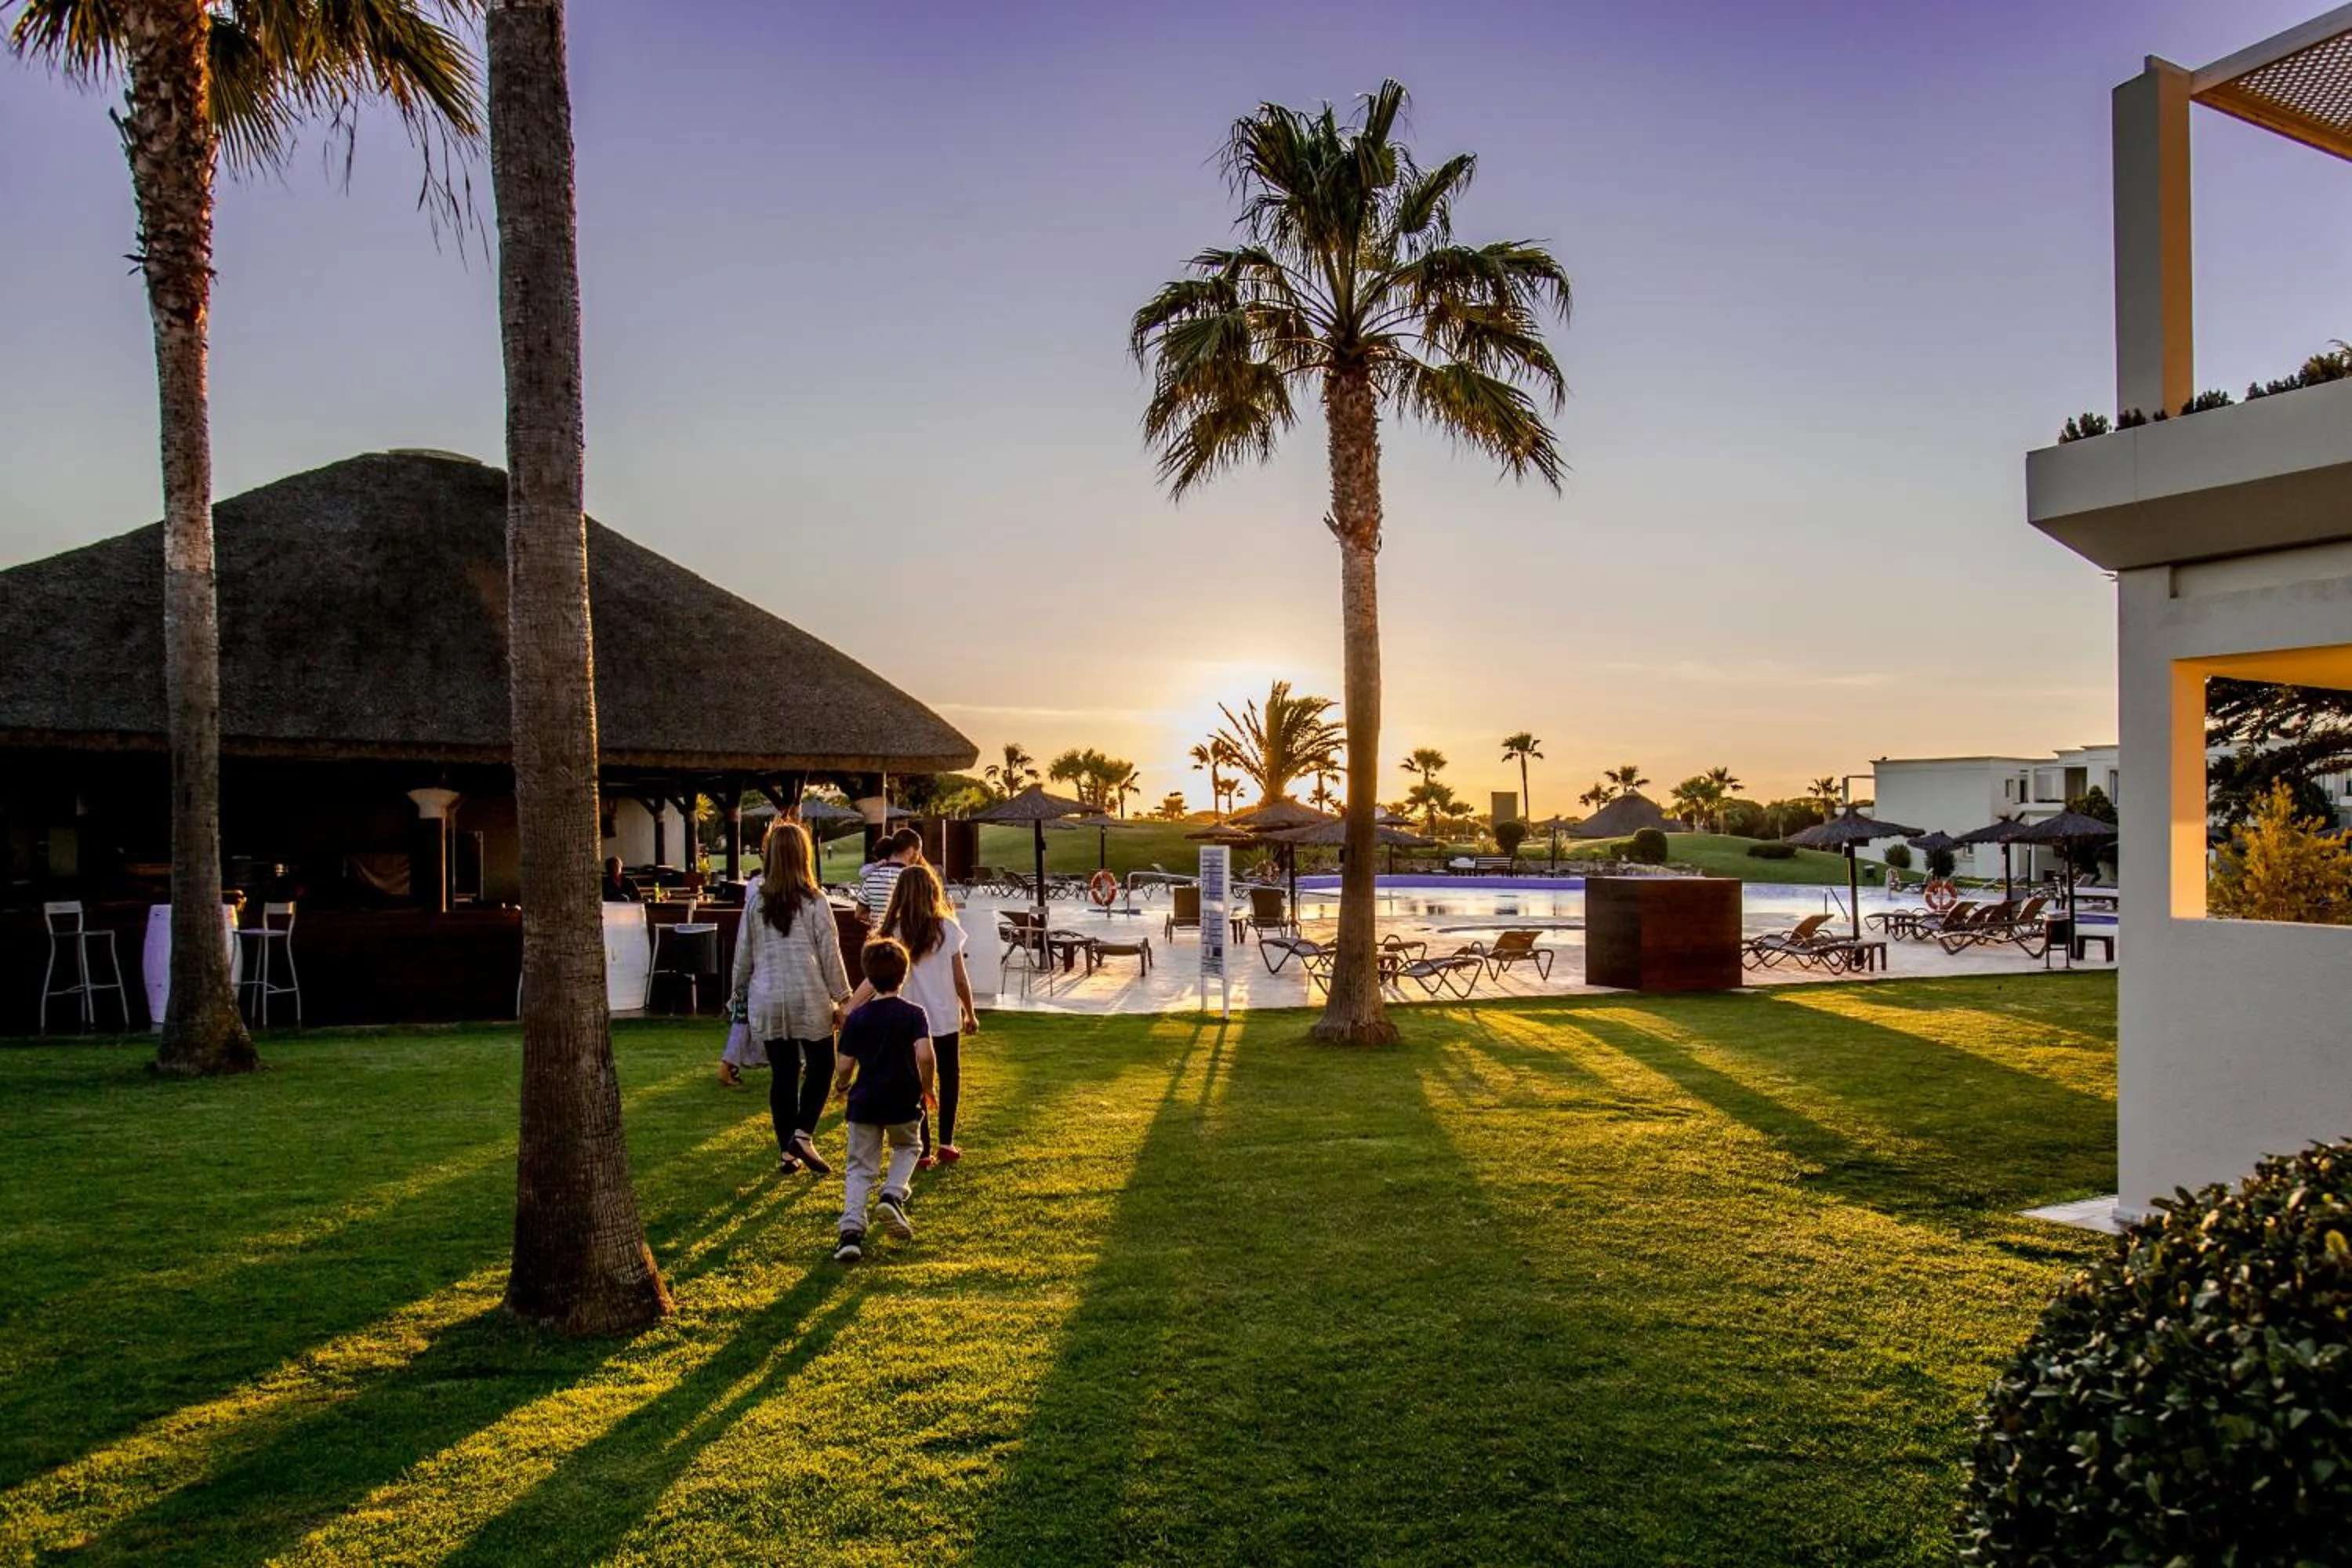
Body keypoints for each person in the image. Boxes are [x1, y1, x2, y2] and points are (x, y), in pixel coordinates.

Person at [728, 820, 851, 1176]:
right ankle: (802, 1134)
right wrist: (842, 997)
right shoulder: (814, 901)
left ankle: (788, 1152)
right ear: (803, 856)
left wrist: (737, 994)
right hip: (807, 994)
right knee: (822, 1066)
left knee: (783, 1075)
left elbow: (743, 955)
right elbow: (830, 952)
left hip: (766, 995)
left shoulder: (756, 903)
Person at [845, 864, 978, 1168]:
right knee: (949, 1076)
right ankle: (947, 1142)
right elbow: (960, 978)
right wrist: (970, 1012)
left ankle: (924, 1149)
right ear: (933, 892)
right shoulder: (947, 929)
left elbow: (871, 978)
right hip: (944, 1018)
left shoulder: (892, 932)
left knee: (914, 1081)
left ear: (900, 894)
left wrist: (850, 1006)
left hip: (906, 1022)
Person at [830, 937, 935, 1264]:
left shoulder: (858, 1018)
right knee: (908, 1148)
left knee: (860, 1167)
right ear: (903, 975)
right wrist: (928, 1087)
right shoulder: (914, 1014)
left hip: (865, 1102)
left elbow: (845, 1063)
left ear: (868, 976)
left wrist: (842, 1085)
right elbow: (926, 1054)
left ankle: (850, 1233)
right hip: (903, 1099)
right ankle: (892, 1194)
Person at [858, 826, 922, 921]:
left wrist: (880, 920)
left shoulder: (872, 877)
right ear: (910, 851)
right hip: (906, 935)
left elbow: (859, 914)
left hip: (879, 935)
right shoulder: (916, 879)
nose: (918, 858)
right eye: (918, 853)